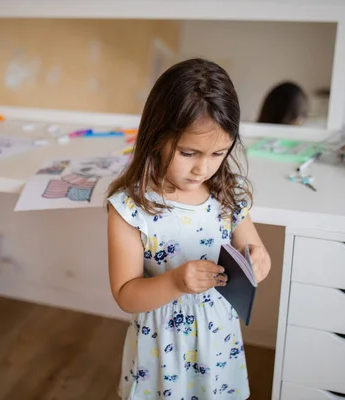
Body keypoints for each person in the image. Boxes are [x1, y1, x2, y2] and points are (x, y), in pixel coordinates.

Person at [106, 58, 271, 399]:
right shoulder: (130, 207)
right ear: (157, 136)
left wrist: (257, 260)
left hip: (218, 343)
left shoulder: (228, 194)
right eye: (188, 152)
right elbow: (125, 295)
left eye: (218, 154)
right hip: (162, 349)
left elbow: (257, 251)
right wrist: (176, 281)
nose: (203, 168)